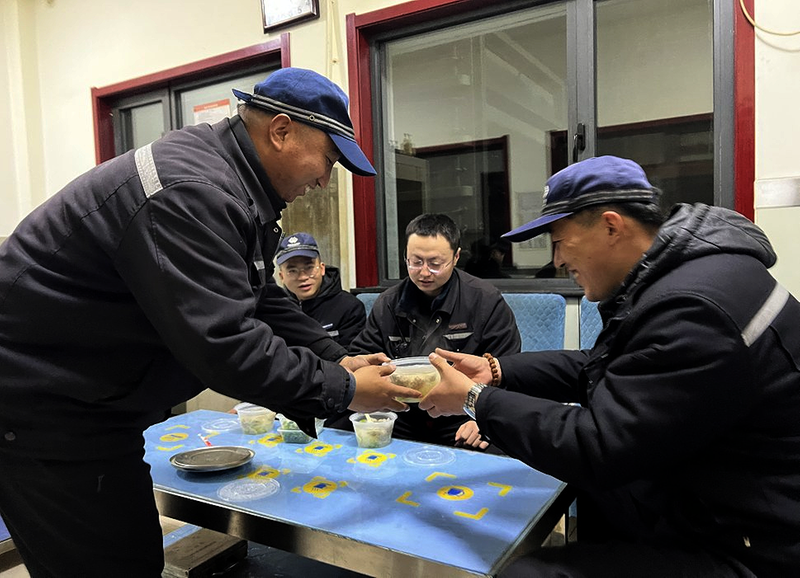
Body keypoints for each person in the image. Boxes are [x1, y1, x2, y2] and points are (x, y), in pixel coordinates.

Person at [0, 67, 421, 578]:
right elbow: (227, 344)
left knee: (130, 553)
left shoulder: (230, 183)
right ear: (281, 130)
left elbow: (257, 295)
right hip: (42, 405)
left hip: (92, 403)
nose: (322, 181)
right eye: (328, 161)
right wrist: (347, 390)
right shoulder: (191, 191)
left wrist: (336, 358)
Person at [420, 155, 800, 577]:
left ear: (611, 227)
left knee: (528, 572)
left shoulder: (694, 307)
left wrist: (474, 400)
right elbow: (606, 366)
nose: (557, 260)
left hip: (754, 545)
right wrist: (497, 372)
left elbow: (598, 445)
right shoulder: (686, 276)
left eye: (560, 242)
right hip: (711, 491)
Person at [345, 213, 521, 448]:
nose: (425, 272)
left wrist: (482, 416)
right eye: (416, 262)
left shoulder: (485, 300)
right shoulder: (388, 303)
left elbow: (506, 368)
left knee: (497, 443)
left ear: (456, 257)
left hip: (462, 413)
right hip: (403, 413)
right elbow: (362, 358)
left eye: (435, 264)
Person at [276, 232, 366, 347]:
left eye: (309, 268)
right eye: (292, 271)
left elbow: (353, 354)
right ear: (282, 277)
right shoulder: (276, 310)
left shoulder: (349, 307)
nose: (303, 277)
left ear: (322, 269)